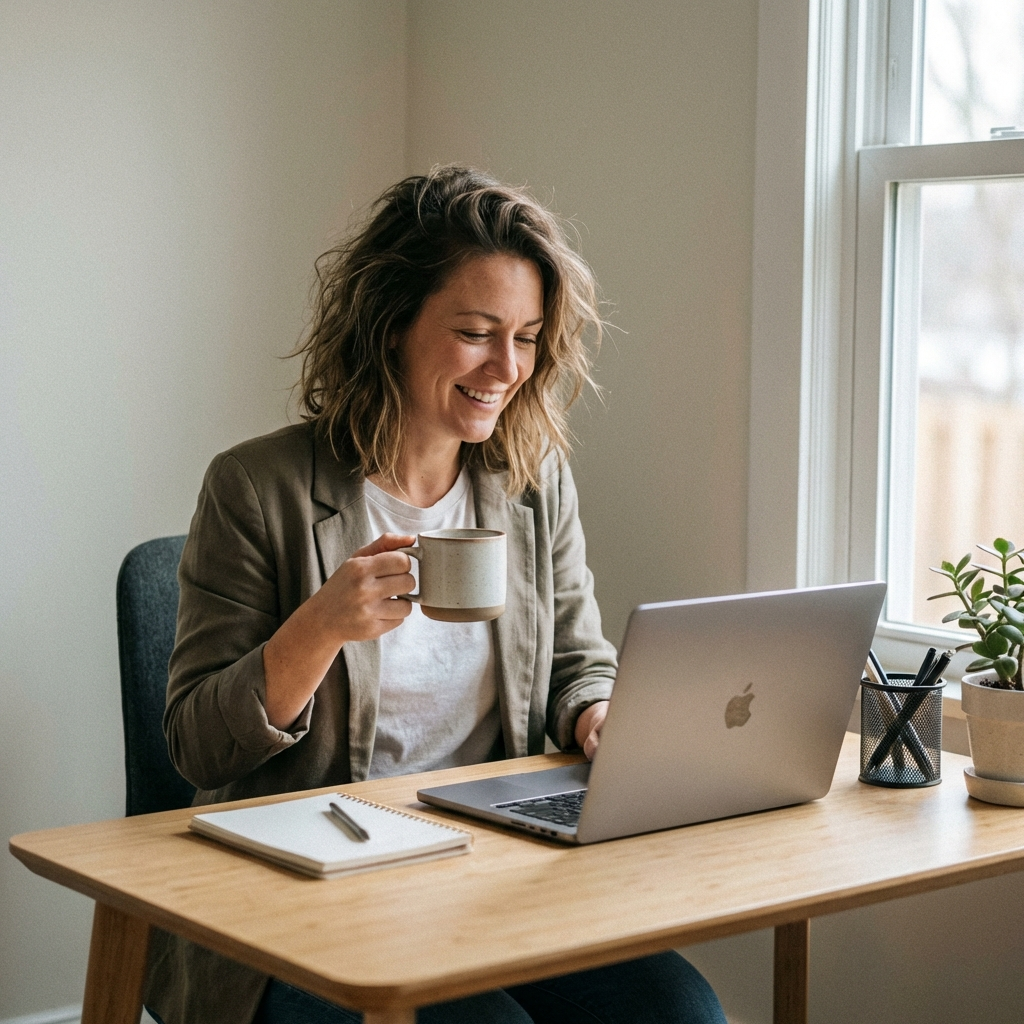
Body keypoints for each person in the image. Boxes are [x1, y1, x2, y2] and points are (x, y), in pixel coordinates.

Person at [144, 166, 727, 1024]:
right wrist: (316, 632)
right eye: (475, 332)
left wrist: (595, 713)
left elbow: (577, 660)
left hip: (494, 871)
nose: (507, 367)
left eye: (527, 337)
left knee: (683, 1013)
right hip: (307, 898)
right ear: (391, 329)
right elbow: (196, 746)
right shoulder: (255, 487)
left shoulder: (532, 484)